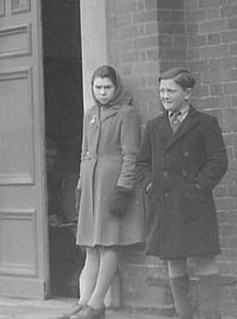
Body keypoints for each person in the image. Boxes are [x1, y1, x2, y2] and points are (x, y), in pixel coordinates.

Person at [136, 67, 228, 319]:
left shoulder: (206, 124)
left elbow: (219, 160)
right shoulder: (154, 126)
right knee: (173, 258)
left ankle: (210, 315)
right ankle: (183, 313)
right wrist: (149, 185)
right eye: (161, 90)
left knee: (204, 257)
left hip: (195, 203)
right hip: (165, 202)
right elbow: (142, 162)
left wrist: (198, 187)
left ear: (187, 93)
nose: (164, 95)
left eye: (170, 90)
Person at [59, 65, 143, 319]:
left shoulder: (126, 114)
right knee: (90, 247)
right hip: (91, 187)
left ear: (116, 88)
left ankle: (97, 304)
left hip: (111, 186)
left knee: (108, 245)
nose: (103, 92)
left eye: (107, 87)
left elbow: (131, 155)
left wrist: (124, 187)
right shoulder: (90, 115)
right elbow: (85, 152)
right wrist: (80, 186)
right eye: (98, 87)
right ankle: (83, 302)